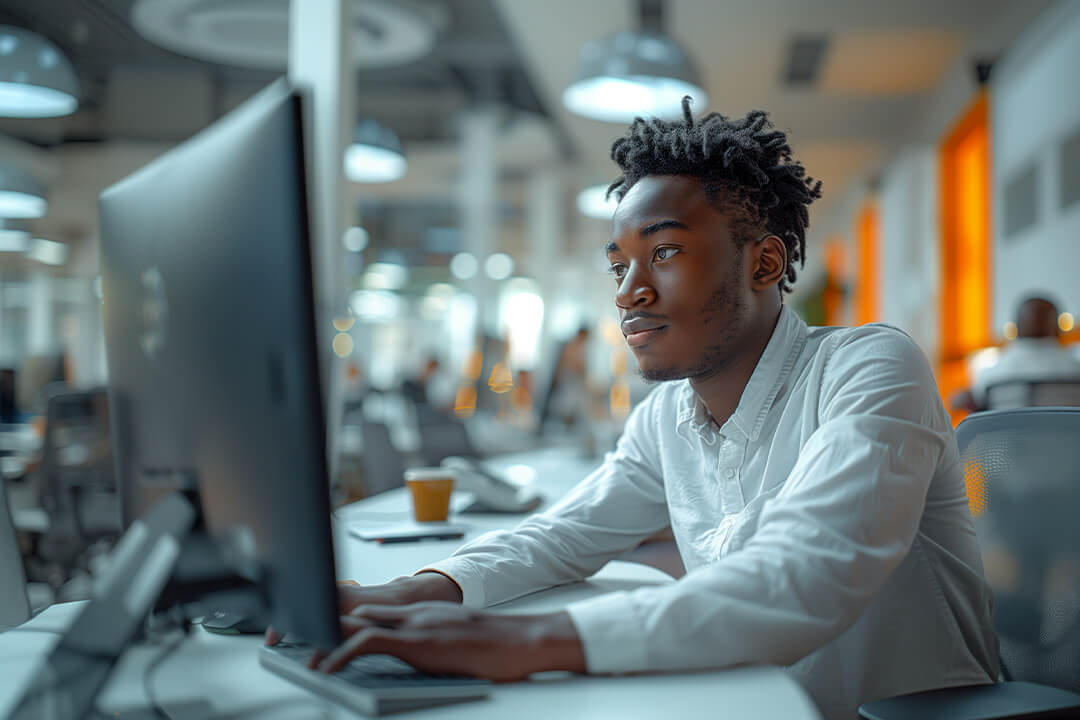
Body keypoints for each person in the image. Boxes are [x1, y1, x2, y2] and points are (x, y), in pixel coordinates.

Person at [270, 100, 998, 719]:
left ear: (765, 265)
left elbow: (807, 575)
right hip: (746, 698)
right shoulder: (665, 417)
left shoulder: (868, 368)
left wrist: (519, 643)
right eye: (619, 266)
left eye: (666, 254)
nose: (627, 293)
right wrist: (422, 589)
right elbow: (562, 537)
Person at [952, 296, 1080, 412]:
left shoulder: (990, 374)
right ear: (1058, 329)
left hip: (1007, 438)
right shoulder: (1075, 368)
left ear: (1016, 328)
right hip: (1065, 437)